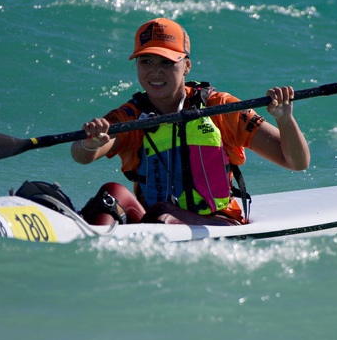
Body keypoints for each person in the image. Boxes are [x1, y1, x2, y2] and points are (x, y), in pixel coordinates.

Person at [71, 17, 310, 226]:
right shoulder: (131, 116)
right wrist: (91, 144)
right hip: (153, 224)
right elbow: (81, 155)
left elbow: (297, 162)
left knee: (161, 213)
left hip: (217, 222)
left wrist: (285, 120)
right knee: (111, 194)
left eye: (166, 62)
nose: (155, 72)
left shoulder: (220, 107)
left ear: (186, 66)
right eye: (146, 61)